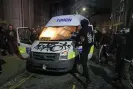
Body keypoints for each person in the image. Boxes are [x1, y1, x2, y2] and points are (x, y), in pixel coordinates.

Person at [75, 19, 93, 87]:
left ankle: (88, 79)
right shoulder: (90, 29)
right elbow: (90, 39)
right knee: (84, 61)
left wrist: (76, 41)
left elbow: (80, 40)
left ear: (82, 24)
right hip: (88, 47)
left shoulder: (82, 30)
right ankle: (83, 72)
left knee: (84, 63)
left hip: (83, 48)